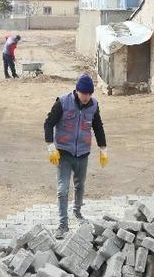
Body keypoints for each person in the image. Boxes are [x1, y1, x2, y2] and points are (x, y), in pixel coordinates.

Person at [44, 73, 107, 238]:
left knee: (79, 186)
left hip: (83, 154)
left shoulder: (93, 105)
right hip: (63, 154)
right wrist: (50, 145)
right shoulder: (62, 103)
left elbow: (98, 126)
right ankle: (63, 225)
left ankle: (77, 212)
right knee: (62, 190)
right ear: (77, 91)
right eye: (83, 93)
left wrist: (103, 148)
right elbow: (49, 123)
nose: (86, 97)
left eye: (89, 94)